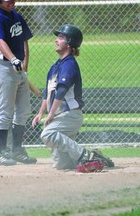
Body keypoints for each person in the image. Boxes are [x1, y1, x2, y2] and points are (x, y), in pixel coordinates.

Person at [32, 24, 113, 170]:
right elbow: (47, 93)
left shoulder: (69, 65)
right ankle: (98, 159)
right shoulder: (56, 66)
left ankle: (86, 156)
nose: (56, 40)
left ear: (69, 43)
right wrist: (40, 113)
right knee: (62, 165)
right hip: (60, 116)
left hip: (69, 115)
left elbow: (61, 91)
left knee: (47, 134)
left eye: (61, 37)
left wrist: (50, 115)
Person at [0, 0, 37, 165]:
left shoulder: (16, 15)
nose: (12, 1)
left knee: (23, 111)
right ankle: (3, 153)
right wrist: (13, 58)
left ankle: (17, 150)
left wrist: (24, 66)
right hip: (3, 67)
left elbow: (24, 41)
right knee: (6, 112)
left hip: (19, 69)